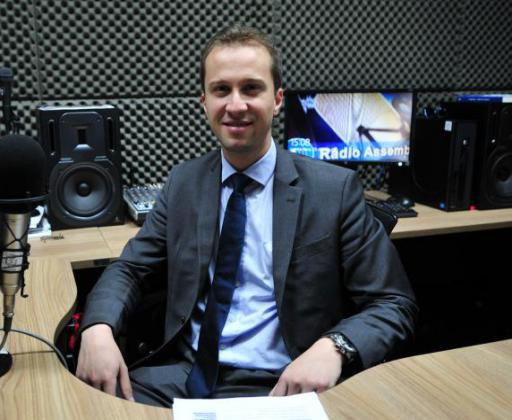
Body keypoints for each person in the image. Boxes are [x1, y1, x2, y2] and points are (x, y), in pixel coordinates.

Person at [75, 24, 417, 407]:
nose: (236, 105)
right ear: (203, 101)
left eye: (251, 88)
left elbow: (393, 304)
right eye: (222, 90)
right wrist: (98, 327)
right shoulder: (183, 183)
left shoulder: (333, 190)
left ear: (277, 99)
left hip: (287, 381)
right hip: (185, 375)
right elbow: (130, 269)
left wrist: (333, 348)